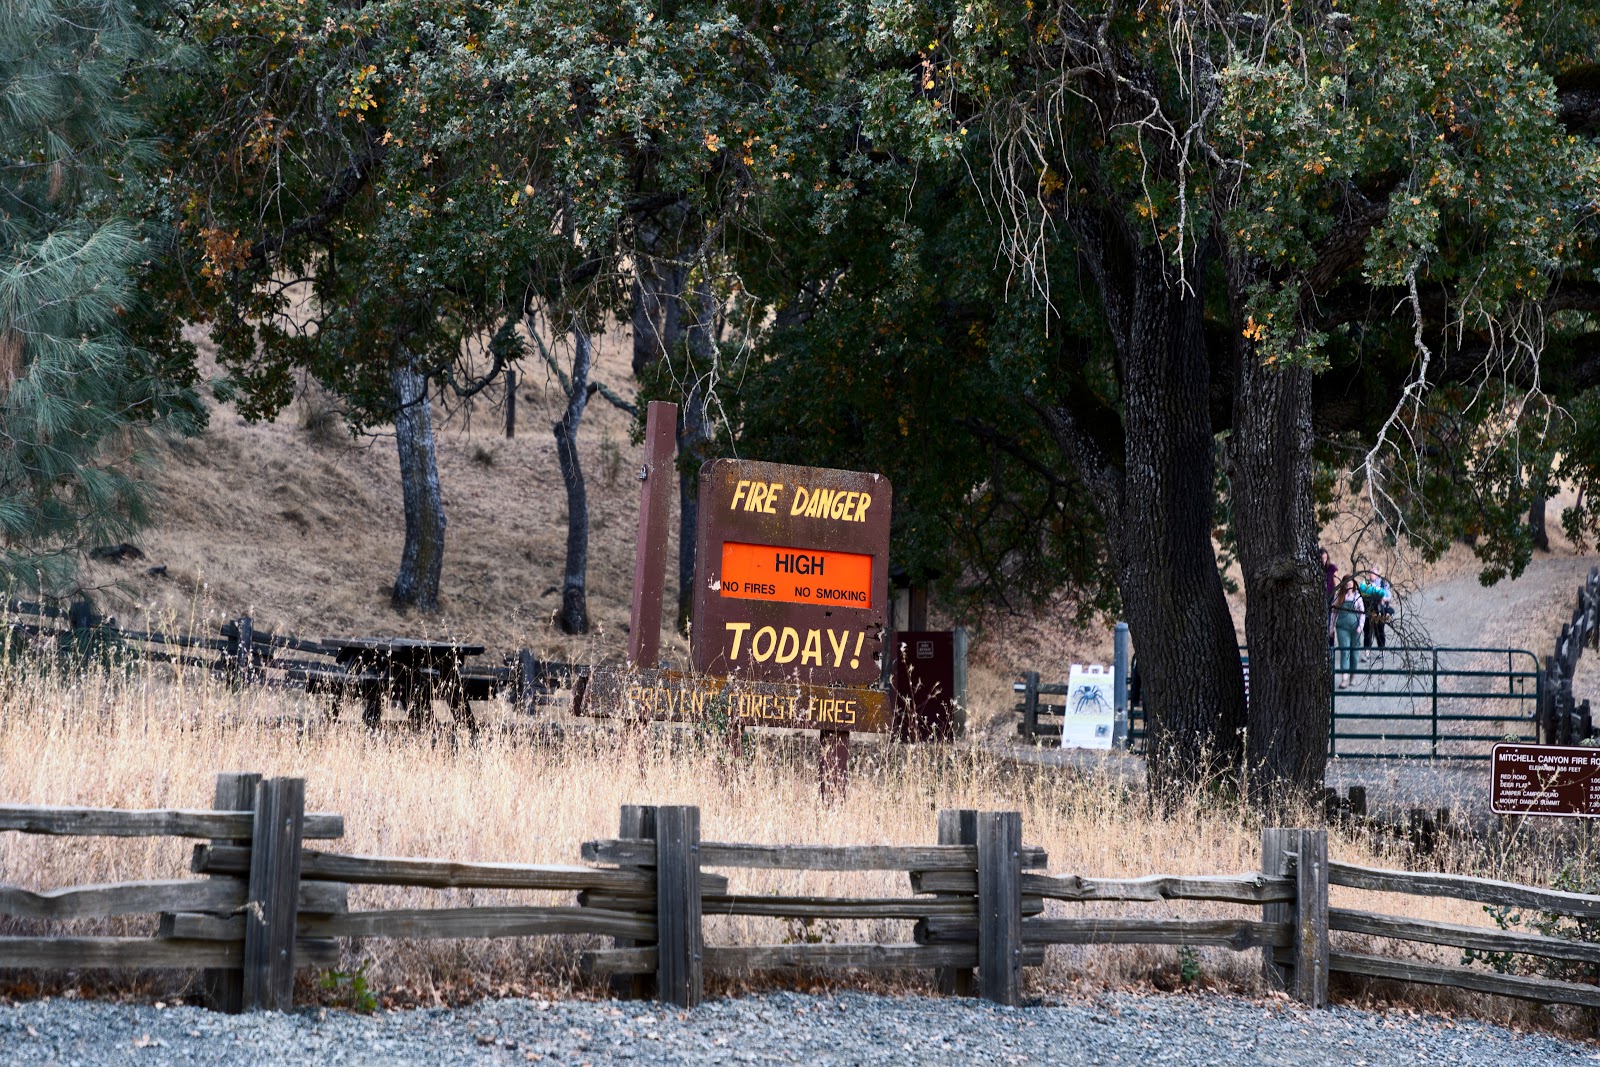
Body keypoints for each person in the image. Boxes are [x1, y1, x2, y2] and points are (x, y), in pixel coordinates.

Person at [1330, 575, 1365, 689]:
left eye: (1350, 582)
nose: (1348, 584)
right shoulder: (1339, 597)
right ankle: (1344, 679)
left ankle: (1352, 676)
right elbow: (1333, 614)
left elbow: (1362, 613)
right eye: (1346, 582)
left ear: (1353, 584)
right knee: (1345, 652)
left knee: (1355, 653)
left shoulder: (1357, 597)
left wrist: (1360, 626)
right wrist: (1331, 628)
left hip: (1355, 629)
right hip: (1342, 628)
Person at [1359, 570, 1393, 655]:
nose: (1371, 575)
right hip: (1368, 609)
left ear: (1377, 575)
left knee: (1379, 630)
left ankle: (1382, 650)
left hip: (1379, 610)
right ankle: (1366, 651)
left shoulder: (1383, 583)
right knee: (1367, 630)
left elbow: (1389, 596)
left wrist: (1383, 599)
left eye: (1373, 573)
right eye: (1370, 573)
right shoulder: (1365, 583)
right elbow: (1361, 593)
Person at [1320, 549, 1338, 647]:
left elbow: (1336, 584)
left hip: (1330, 596)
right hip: (1319, 597)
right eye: (1322, 558)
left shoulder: (1331, 568)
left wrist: (1335, 598)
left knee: (1329, 621)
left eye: (1325, 558)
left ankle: (1330, 646)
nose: (1324, 560)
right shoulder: (1316, 568)